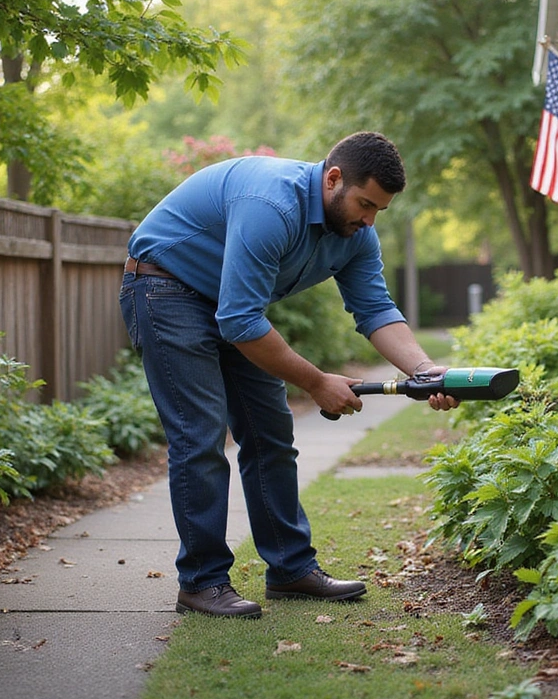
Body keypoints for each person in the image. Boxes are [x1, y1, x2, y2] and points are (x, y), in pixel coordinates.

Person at [119, 131, 457, 620]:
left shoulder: (357, 235)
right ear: (333, 179)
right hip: (164, 287)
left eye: (379, 211)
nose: (369, 219)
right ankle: (202, 582)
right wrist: (317, 381)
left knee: (271, 433)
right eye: (365, 204)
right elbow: (240, 322)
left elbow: (375, 309)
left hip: (233, 306)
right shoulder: (271, 205)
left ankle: (290, 569)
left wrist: (425, 371)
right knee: (201, 436)